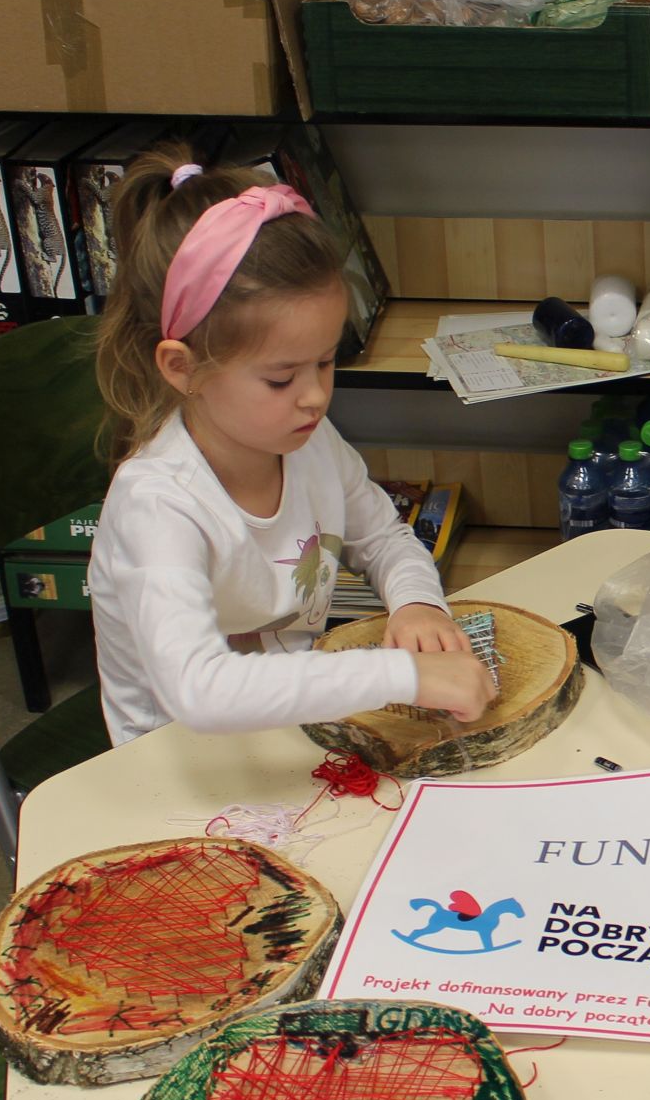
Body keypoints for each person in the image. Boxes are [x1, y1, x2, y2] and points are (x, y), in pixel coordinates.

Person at [88, 147, 497, 744]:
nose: (314, 398)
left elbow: (384, 538)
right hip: (178, 762)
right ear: (182, 367)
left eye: (325, 363)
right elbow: (201, 692)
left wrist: (417, 604)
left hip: (292, 733)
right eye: (281, 378)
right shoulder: (156, 504)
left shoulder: (306, 440)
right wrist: (402, 675)